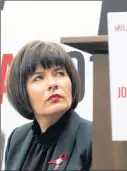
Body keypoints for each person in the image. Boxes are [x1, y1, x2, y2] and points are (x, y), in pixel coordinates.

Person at [4, 40, 92, 171]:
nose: (53, 83)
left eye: (60, 73)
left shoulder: (93, 137)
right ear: (22, 90)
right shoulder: (17, 138)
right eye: (39, 77)